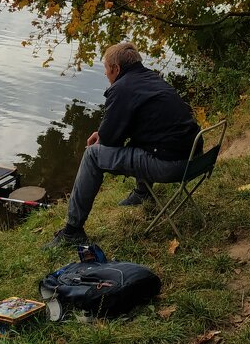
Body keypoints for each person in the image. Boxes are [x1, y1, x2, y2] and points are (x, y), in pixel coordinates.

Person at [44, 42, 200, 248]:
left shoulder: (122, 88)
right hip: (195, 157)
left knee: (93, 155)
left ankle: (72, 231)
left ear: (116, 69)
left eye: (106, 71)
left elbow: (110, 142)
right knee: (145, 138)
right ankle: (143, 193)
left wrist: (104, 134)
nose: (106, 76)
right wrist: (105, 132)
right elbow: (133, 127)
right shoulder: (152, 79)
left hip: (171, 165)